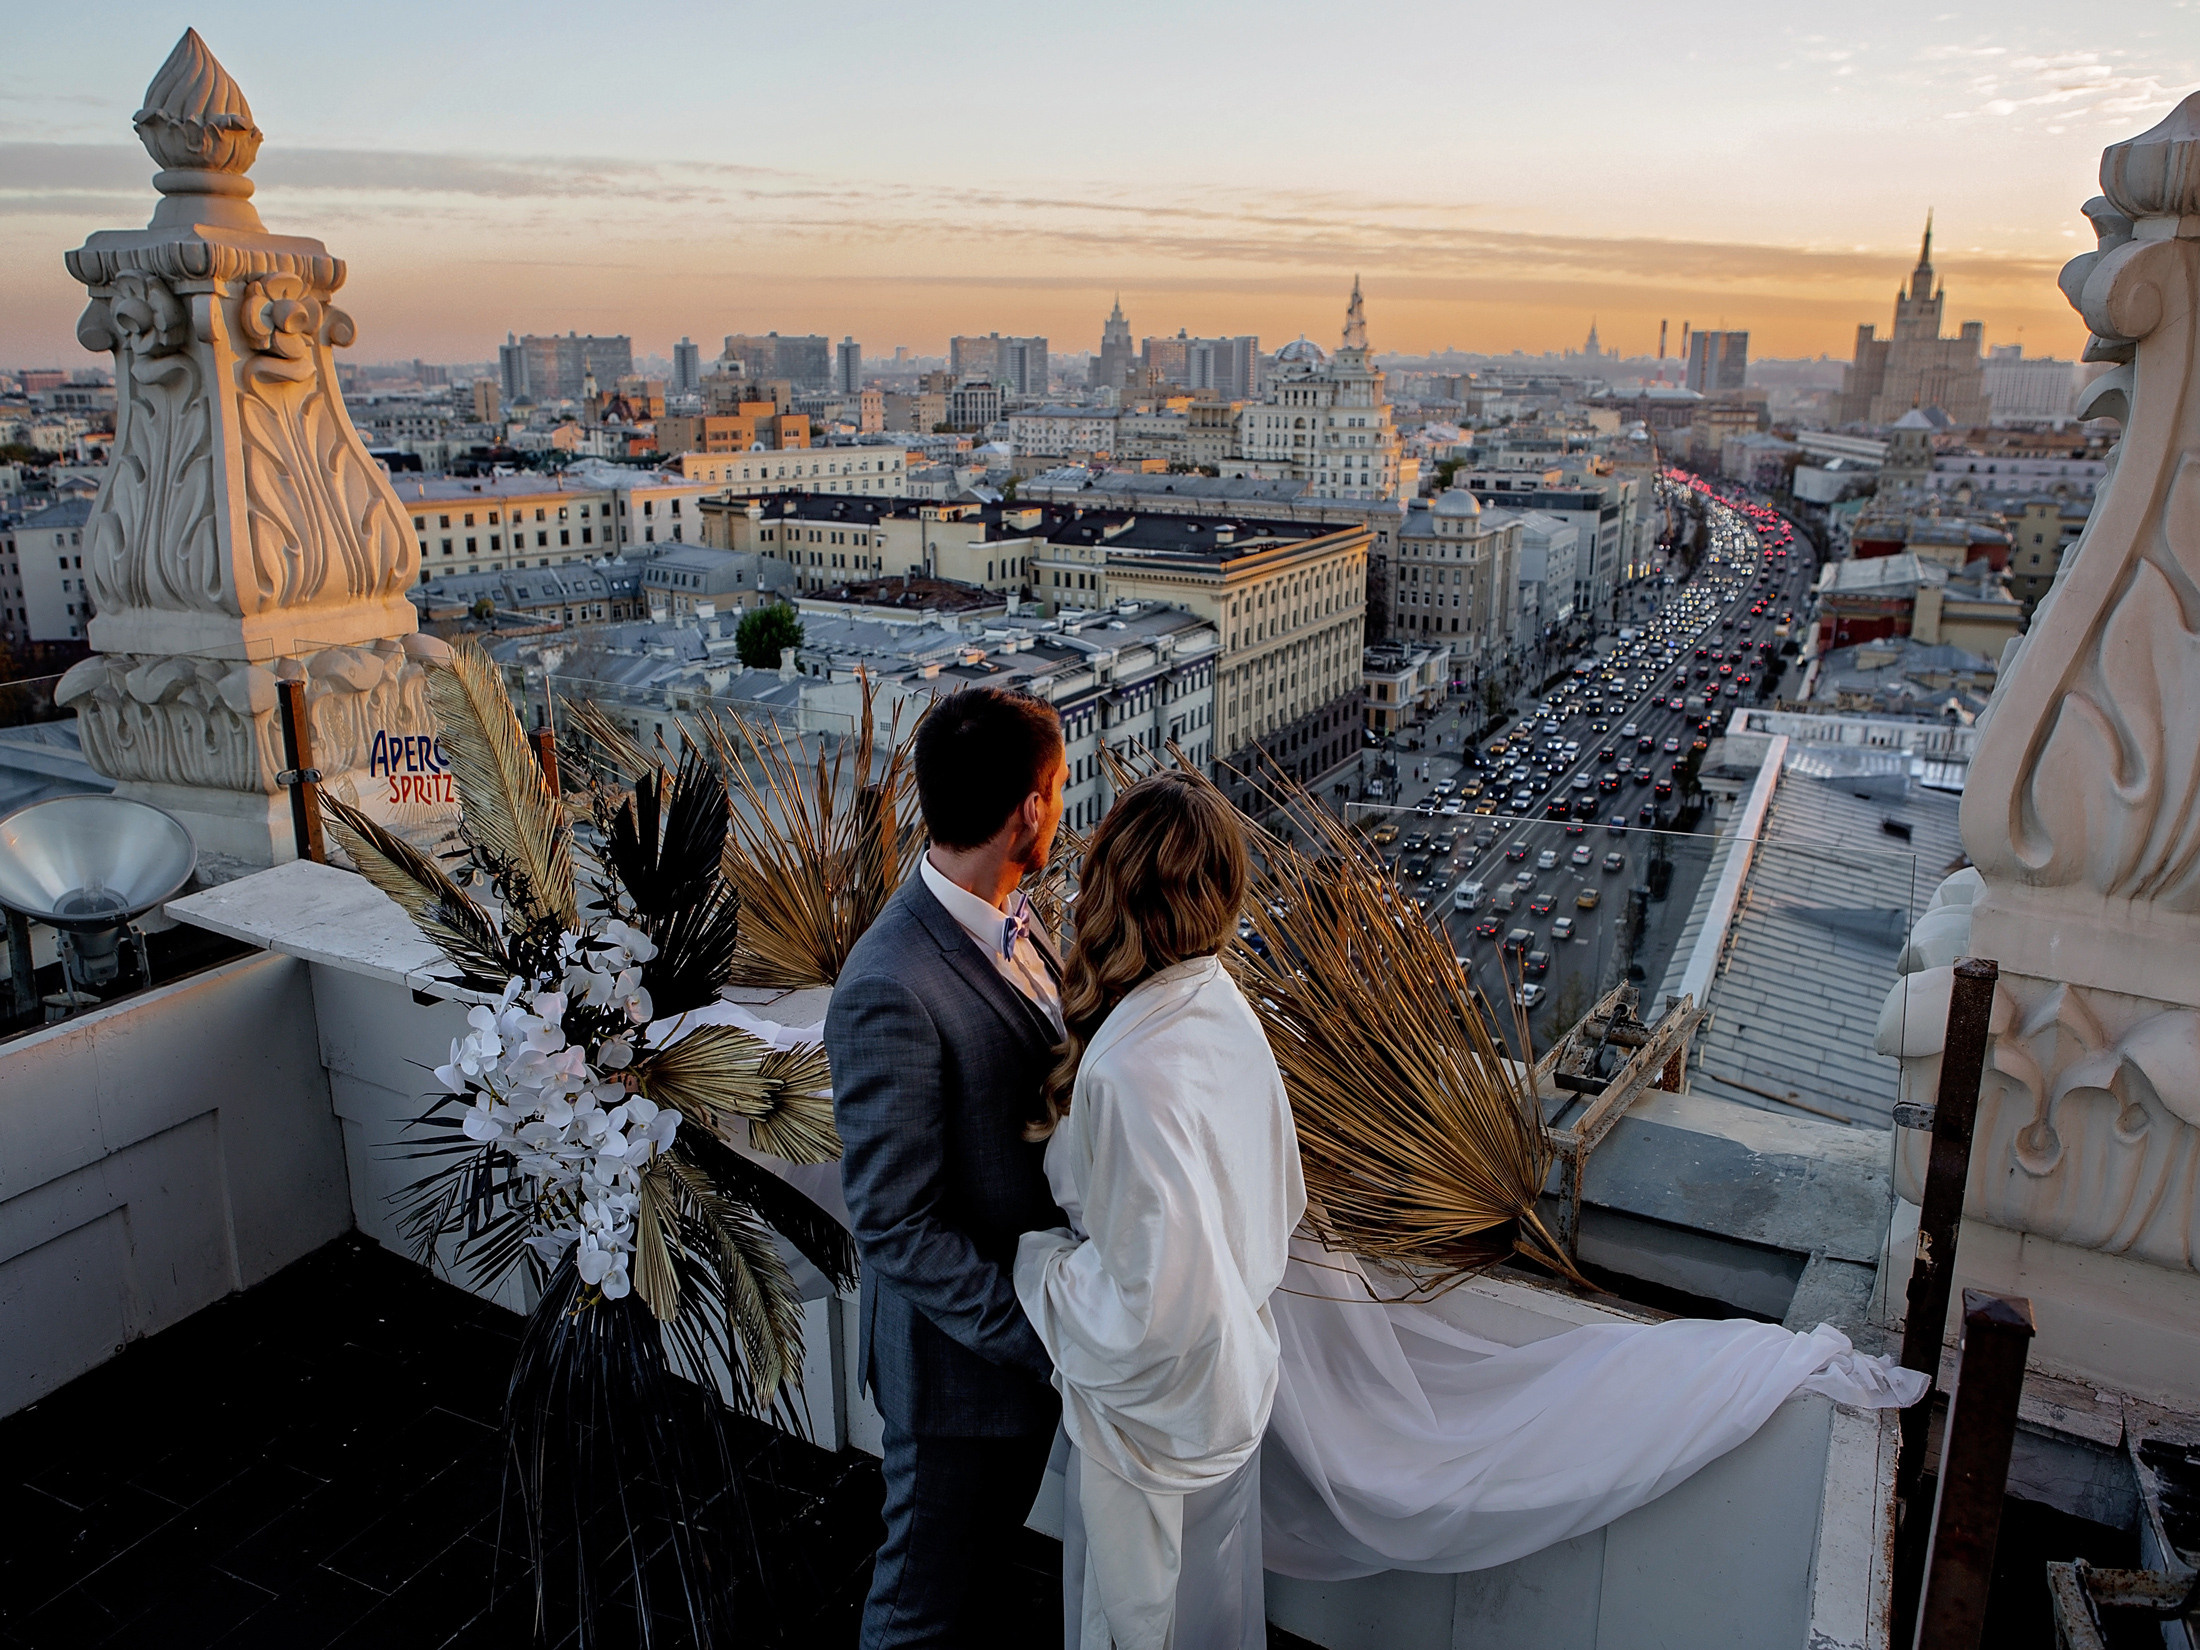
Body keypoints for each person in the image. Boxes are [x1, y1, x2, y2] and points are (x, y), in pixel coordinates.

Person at [1015, 772, 1305, 1650]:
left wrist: (1039, 1263)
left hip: (1154, 1435)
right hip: (1231, 1394)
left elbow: (1146, 1312)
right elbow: (1278, 1198)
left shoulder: (1127, 1068)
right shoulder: (1223, 1004)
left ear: (1113, 883)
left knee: (1133, 1620)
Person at [826, 686, 1071, 1648]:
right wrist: (1047, 1340)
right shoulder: (889, 985)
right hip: (958, 1377)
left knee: (968, 1589)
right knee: (914, 1617)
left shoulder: (1005, 910)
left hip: (1012, 1368)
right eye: (1056, 787)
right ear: (1030, 809)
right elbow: (893, 1224)